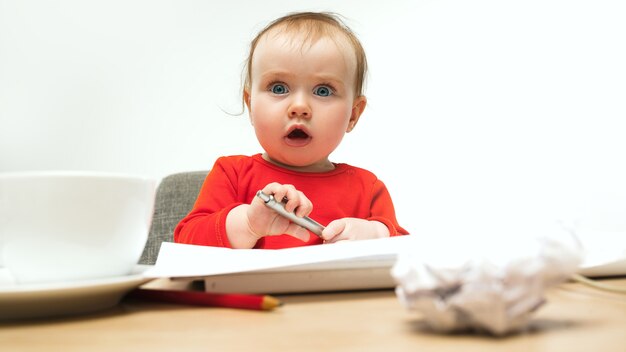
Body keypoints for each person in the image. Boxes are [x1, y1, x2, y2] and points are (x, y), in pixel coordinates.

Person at [174, 11, 408, 249]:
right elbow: (186, 242)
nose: (299, 107)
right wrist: (247, 224)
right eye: (278, 88)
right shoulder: (231, 174)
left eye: (323, 91)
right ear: (250, 105)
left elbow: (411, 259)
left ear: (353, 114)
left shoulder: (367, 189)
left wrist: (375, 235)